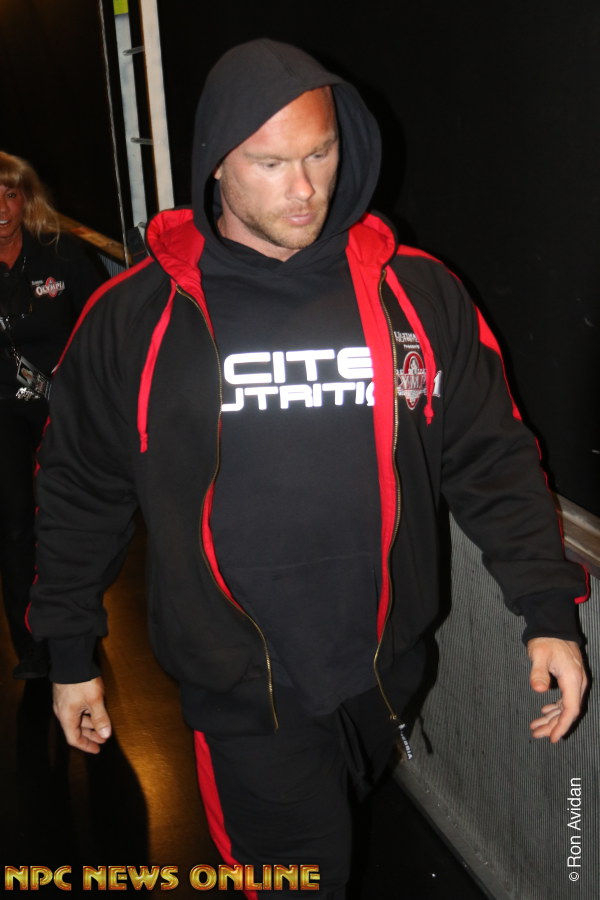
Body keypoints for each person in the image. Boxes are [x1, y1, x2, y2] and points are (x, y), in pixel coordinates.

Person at [28, 40, 588, 898]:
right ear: (216, 166)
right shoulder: (134, 320)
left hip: (384, 674)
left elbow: (493, 454)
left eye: (320, 154)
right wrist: (71, 652)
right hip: (241, 693)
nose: (304, 189)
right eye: (271, 164)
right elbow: (79, 488)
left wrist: (547, 609)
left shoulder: (415, 295)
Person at [0, 150, 104, 680]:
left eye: (10, 194)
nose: (1, 207)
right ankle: (33, 645)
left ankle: (79, 631)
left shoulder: (61, 255)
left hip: (62, 412)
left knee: (70, 523)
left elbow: (102, 324)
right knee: (15, 529)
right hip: (2, 417)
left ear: (26, 200)